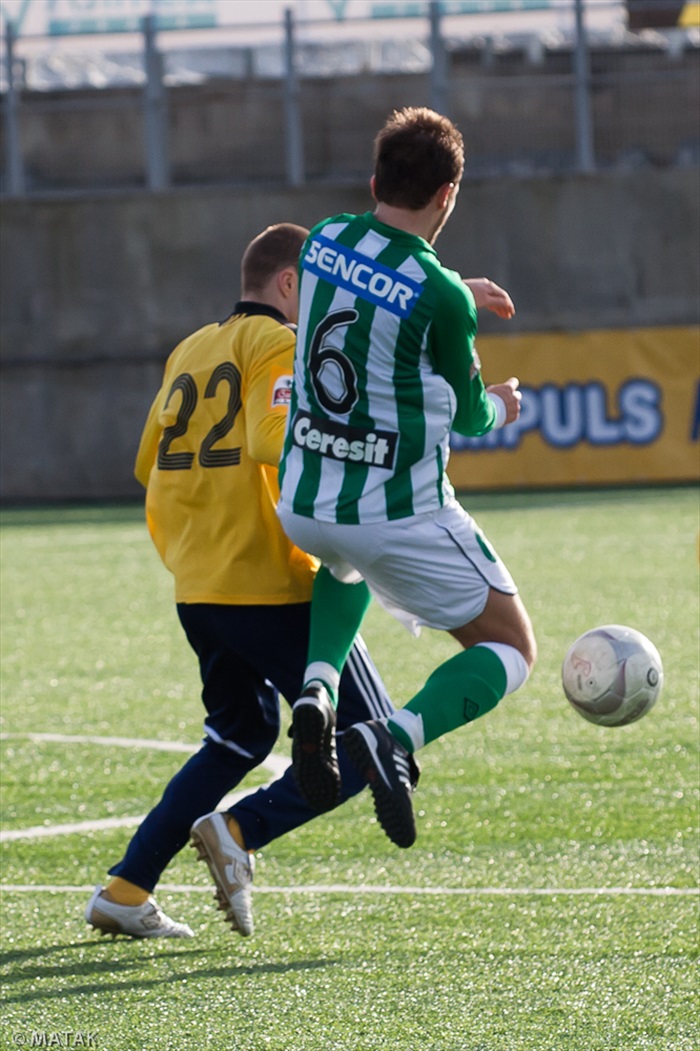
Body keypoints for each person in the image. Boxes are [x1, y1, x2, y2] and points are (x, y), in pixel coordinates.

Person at [84, 222, 416, 941]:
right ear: (290, 283)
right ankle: (238, 830)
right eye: (321, 287)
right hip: (271, 585)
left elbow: (146, 463)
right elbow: (272, 436)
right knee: (375, 742)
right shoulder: (280, 343)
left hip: (199, 584)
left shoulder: (190, 348)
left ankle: (126, 888)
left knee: (240, 736)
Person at [277, 107, 537, 849]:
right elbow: (471, 415)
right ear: (448, 194)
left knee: (343, 565)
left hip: (304, 500)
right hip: (394, 513)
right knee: (512, 650)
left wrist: (453, 286)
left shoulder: (324, 238)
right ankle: (393, 735)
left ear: (374, 182)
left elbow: (379, 285)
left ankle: (318, 690)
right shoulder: (439, 296)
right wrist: (505, 403)